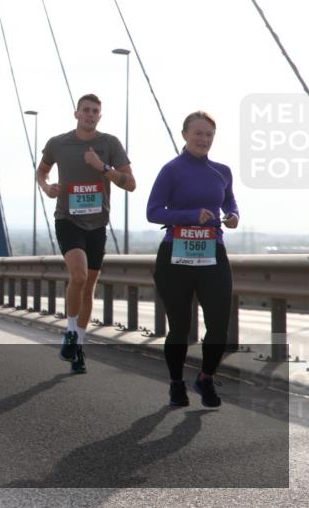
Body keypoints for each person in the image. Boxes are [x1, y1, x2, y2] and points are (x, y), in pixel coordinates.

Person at [37, 93, 134, 374]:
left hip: (97, 224)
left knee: (88, 287)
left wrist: (103, 168)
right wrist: (47, 188)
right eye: (86, 110)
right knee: (78, 276)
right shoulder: (58, 143)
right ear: (76, 113)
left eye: (95, 111)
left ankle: (78, 345)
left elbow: (131, 183)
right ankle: (69, 332)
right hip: (68, 219)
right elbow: (41, 171)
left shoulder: (109, 144)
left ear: (99, 116)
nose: (90, 115)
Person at [147, 111, 238, 408]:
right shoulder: (172, 170)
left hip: (212, 254)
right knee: (180, 327)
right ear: (184, 135)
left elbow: (229, 200)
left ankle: (205, 378)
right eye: (198, 133)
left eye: (209, 134)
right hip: (176, 256)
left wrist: (234, 215)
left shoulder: (222, 171)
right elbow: (153, 211)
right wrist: (190, 216)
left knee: (219, 325)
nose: (204, 139)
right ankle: (176, 384)